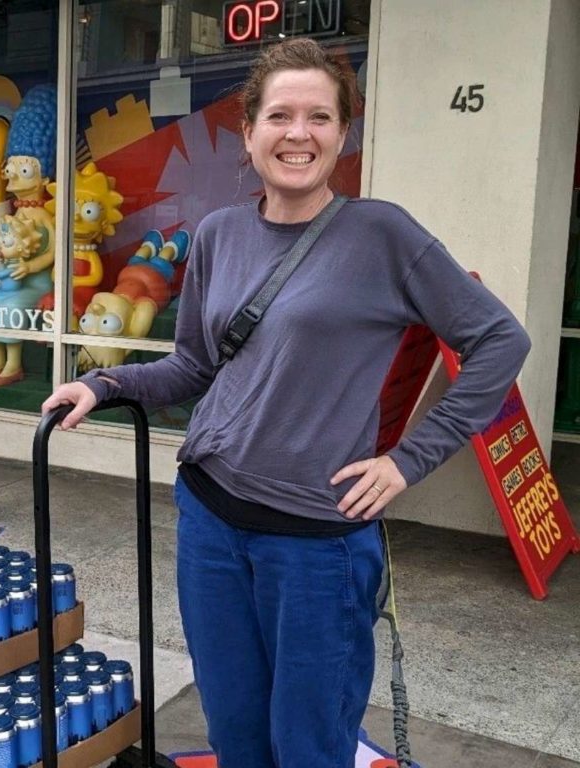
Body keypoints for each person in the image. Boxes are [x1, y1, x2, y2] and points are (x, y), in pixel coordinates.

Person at [42, 39, 530, 768]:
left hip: (316, 546)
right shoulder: (218, 235)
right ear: (249, 132)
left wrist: (407, 462)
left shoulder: (382, 235)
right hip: (209, 521)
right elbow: (195, 365)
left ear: (341, 133)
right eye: (280, 115)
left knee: (308, 747)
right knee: (236, 735)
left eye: (319, 117)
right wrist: (105, 384)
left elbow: (500, 341)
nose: (298, 133)